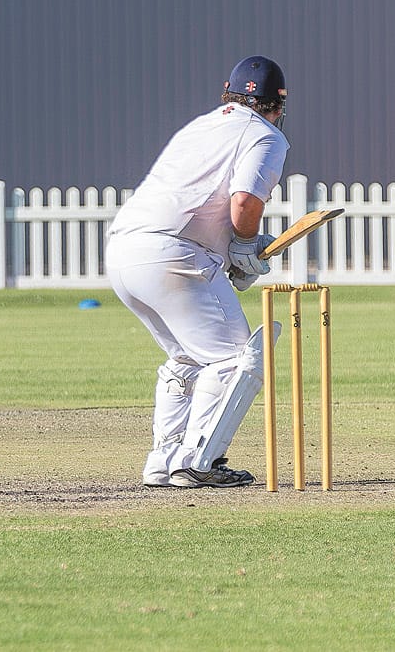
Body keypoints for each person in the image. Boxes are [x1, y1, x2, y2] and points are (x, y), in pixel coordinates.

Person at [105, 55, 290, 488]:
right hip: (173, 253)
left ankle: (163, 460)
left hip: (125, 250)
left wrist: (232, 248)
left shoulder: (201, 126)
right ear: (278, 105)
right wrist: (243, 243)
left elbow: (199, 202)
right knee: (233, 358)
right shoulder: (265, 135)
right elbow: (243, 202)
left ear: (227, 91)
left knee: (187, 358)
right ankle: (197, 462)